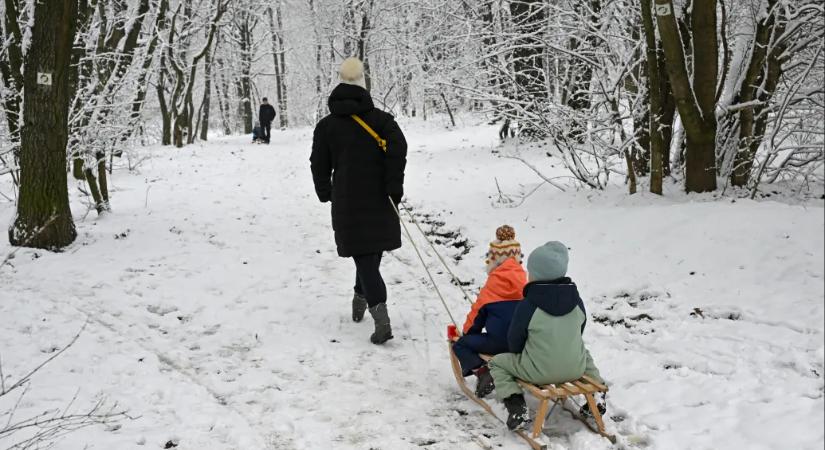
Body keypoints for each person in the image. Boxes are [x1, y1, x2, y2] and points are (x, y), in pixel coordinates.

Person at [310, 57, 407, 345]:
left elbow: (318, 162)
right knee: (368, 254)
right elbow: (398, 151)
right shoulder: (383, 121)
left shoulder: (326, 126)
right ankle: (360, 295)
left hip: (348, 200)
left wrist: (324, 190)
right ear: (364, 84)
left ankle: (381, 320)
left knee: (365, 255)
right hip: (380, 198)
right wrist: (393, 187)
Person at [489, 241, 605, 431]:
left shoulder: (529, 305)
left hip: (536, 371)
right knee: (583, 352)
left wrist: (521, 354)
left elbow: (515, 339)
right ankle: (599, 393)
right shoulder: (576, 300)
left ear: (535, 275)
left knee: (497, 363)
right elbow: (579, 331)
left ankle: (516, 406)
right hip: (575, 368)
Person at [452, 225, 527, 398]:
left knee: (461, 345)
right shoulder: (527, 283)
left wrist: (466, 334)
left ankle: (482, 371)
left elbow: (474, 322)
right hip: (522, 345)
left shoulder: (492, 287)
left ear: (493, 261)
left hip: (497, 343)